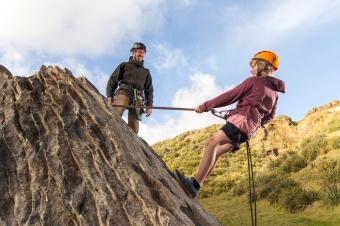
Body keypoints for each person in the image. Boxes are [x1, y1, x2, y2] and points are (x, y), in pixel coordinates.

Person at [174, 50, 286, 198]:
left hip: (241, 120)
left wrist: (205, 106)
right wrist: (254, 121)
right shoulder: (275, 92)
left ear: (262, 65)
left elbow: (230, 96)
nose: (251, 69)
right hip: (249, 130)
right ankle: (196, 185)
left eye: (253, 65)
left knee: (211, 143)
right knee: (217, 152)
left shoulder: (253, 81)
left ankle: (194, 186)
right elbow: (270, 116)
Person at [106, 42, 153, 134]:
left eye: (143, 53)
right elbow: (112, 80)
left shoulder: (146, 72)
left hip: (138, 98)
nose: (142, 54)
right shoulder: (124, 65)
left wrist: (149, 105)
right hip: (124, 92)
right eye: (140, 52)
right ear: (134, 52)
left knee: (134, 128)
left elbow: (149, 90)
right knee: (115, 111)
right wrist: (110, 95)